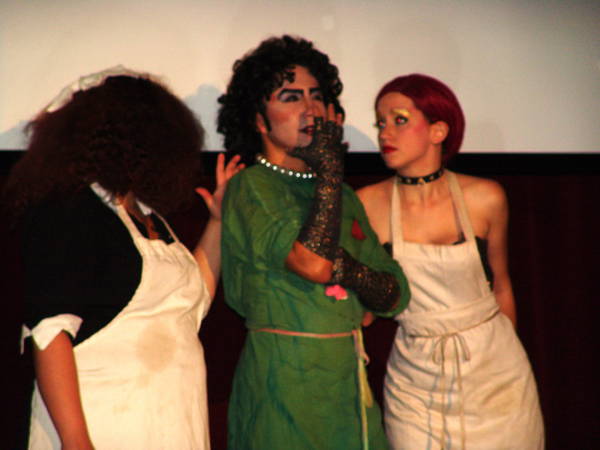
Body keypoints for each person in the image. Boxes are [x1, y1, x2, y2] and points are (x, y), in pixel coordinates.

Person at [4, 66, 243, 449]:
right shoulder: (71, 208)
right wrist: (76, 441)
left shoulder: (148, 215)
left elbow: (188, 306)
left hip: (171, 421)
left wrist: (216, 223)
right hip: (106, 421)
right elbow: (50, 332)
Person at [217, 35, 410, 449]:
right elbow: (313, 263)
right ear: (258, 120)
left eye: (317, 96)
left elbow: (395, 295)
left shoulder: (343, 197)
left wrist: (349, 270)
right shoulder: (252, 186)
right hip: (283, 385)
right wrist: (330, 173)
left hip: (346, 385)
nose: (311, 109)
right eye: (291, 97)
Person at [357, 74, 544, 449]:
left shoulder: (485, 197)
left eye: (399, 120)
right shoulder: (367, 204)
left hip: (495, 374)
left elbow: (501, 286)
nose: (385, 133)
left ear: (438, 130)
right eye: (380, 123)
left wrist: (503, 360)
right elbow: (366, 309)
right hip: (415, 375)